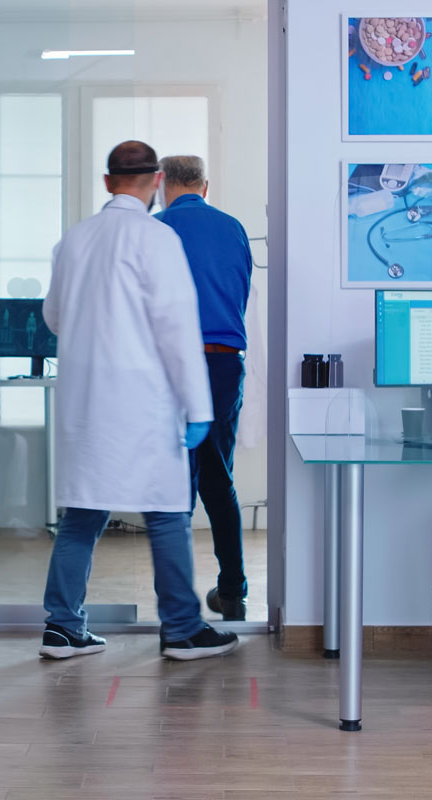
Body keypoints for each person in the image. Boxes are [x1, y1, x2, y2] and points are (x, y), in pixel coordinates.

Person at [39, 140, 239, 661]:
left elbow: (54, 318)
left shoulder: (74, 239)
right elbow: (176, 328)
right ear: (156, 183)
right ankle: (181, 629)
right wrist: (200, 408)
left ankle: (62, 627)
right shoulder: (157, 238)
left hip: (85, 401)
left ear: (108, 182)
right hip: (143, 400)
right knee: (166, 510)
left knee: (82, 513)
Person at [155, 155, 253, 621]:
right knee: (218, 477)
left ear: (162, 185)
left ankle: (178, 607)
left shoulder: (156, 229)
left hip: (170, 367)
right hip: (223, 365)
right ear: (205, 186)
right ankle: (232, 591)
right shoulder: (233, 228)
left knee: (175, 484)